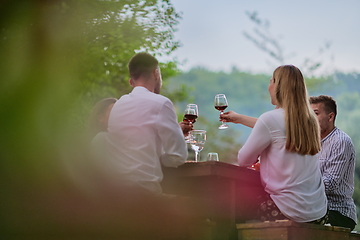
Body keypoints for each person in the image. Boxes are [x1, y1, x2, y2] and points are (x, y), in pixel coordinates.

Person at [225, 65, 328, 224]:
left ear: (278, 86)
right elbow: (277, 128)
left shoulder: (270, 119)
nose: (268, 86)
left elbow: (243, 160)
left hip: (287, 210)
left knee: (231, 209)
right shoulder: (311, 120)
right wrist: (239, 118)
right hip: (318, 212)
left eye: (271, 81)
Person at [106, 52, 192, 195]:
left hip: (114, 191)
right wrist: (157, 155)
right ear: (156, 74)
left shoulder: (118, 105)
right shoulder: (161, 103)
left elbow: (137, 141)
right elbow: (178, 156)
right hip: (144, 193)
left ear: (131, 81)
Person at [310, 95, 357, 230]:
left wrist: (298, 182)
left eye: (316, 114)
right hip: (314, 207)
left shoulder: (340, 141)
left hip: (338, 211)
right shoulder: (310, 142)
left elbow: (329, 184)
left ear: (330, 117)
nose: (310, 118)